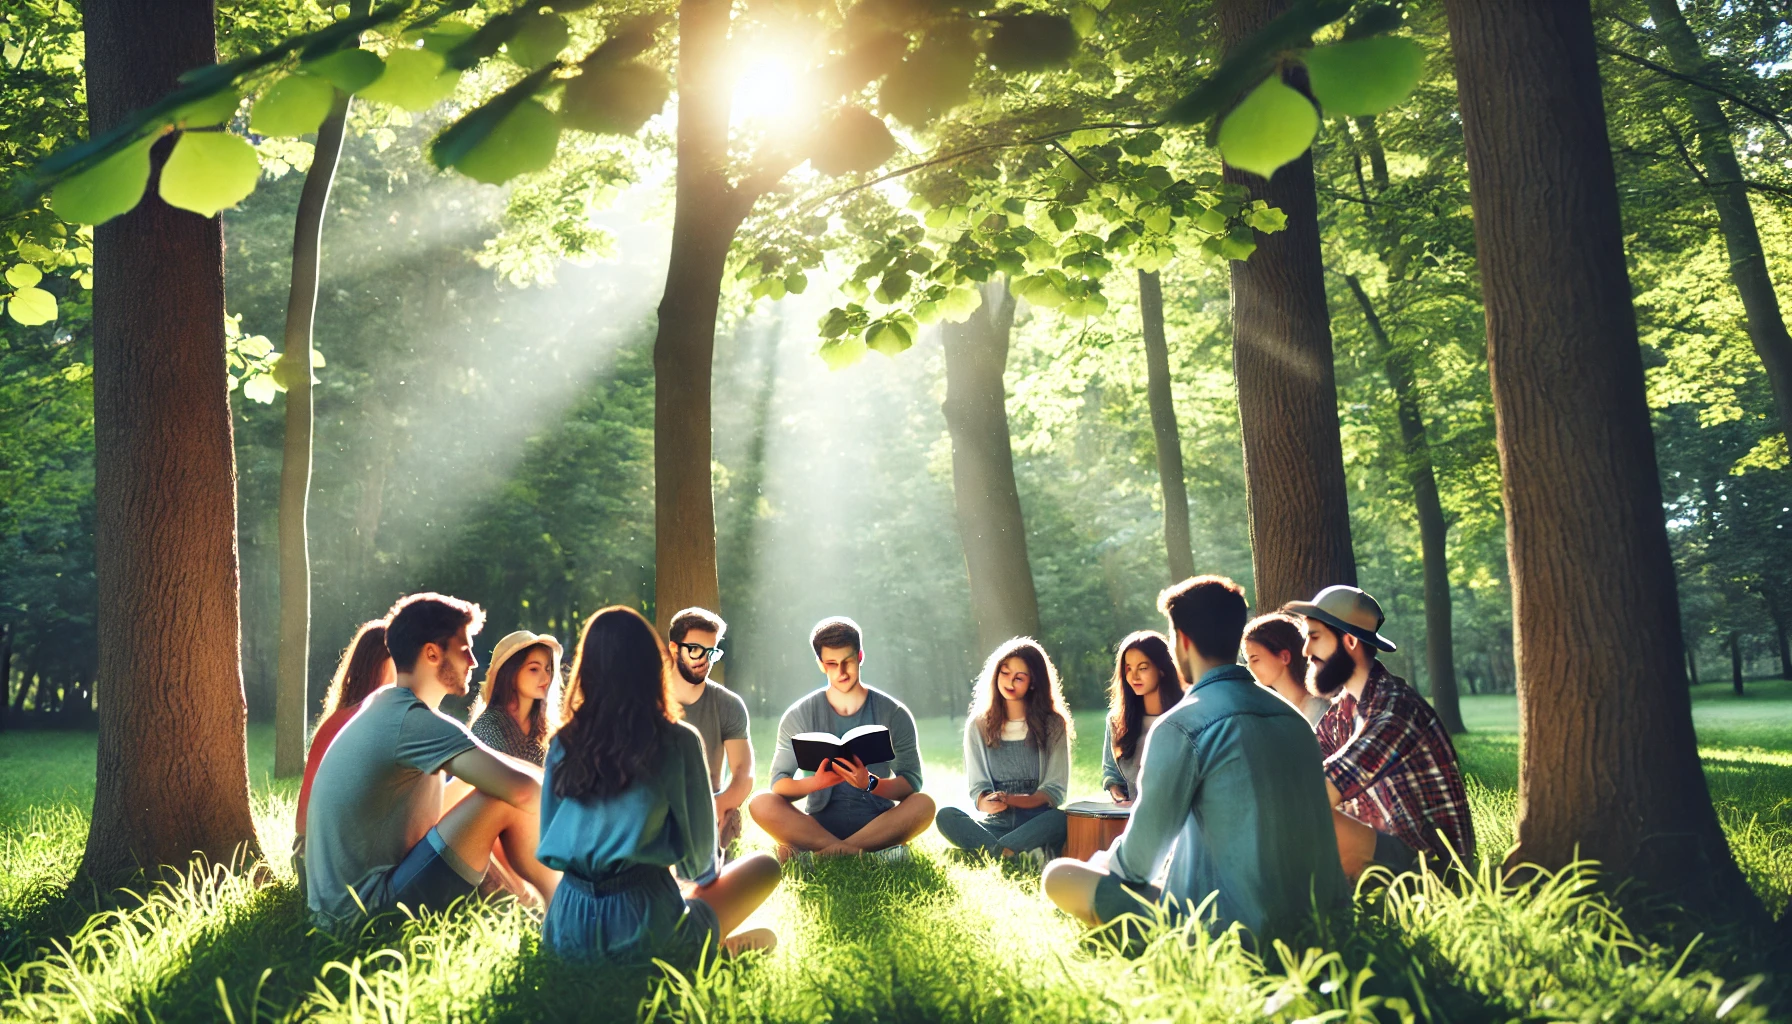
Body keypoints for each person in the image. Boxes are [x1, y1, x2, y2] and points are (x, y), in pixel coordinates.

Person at [1044, 576, 1347, 947]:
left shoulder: (1182, 726)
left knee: (1060, 877)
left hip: (1228, 934)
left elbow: (1137, 864)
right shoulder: (1296, 721)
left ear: (1181, 641)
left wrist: (1097, 868)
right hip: (1319, 929)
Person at [538, 606, 779, 964]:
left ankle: (692, 955)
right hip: (644, 916)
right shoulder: (677, 740)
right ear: (655, 663)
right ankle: (690, 957)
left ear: (587, 668)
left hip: (566, 928)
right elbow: (700, 867)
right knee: (764, 869)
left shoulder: (563, 743)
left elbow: (549, 843)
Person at [305, 592, 560, 926]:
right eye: (465, 649)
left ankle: (533, 912)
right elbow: (524, 792)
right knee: (507, 797)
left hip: (340, 913)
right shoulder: (413, 722)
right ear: (432, 653)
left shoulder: (388, 705)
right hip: (365, 919)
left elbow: (474, 781)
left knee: (491, 787)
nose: (473, 662)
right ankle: (563, 913)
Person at [1284, 585, 1475, 880]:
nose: (1306, 651)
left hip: (1432, 871)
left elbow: (1320, 791)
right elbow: (1302, 766)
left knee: (1309, 815)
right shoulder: (1340, 713)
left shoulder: (1396, 708)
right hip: (1387, 851)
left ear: (1349, 641)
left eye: (1315, 637)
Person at [748, 616, 934, 859]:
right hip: (818, 825)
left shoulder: (894, 713)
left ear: (860, 656)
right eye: (832, 663)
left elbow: (911, 782)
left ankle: (818, 856)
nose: (841, 672)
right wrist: (818, 782)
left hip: (878, 823)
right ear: (821, 664)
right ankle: (867, 855)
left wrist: (869, 783)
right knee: (760, 802)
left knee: (924, 804)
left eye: (847, 661)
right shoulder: (798, 715)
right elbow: (779, 784)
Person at [934, 638, 1073, 864]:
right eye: (1005, 673)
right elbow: (978, 788)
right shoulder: (977, 726)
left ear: (1034, 682)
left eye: (1019, 677)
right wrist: (986, 801)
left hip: (1036, 823)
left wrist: (1013, 800)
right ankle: (1009, 854)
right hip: (996, 825)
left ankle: (980, 855)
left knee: (1061, 819)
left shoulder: (1053, 724)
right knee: (946, 815)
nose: (1009, 682)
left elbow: (1054, 791)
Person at [293, 619, 393, 895]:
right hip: (328, 862)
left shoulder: (362, 716)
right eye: (399, 659)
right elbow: (304, 821)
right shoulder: (355, 720)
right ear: (378, 663)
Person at [666, 607, 753, 860]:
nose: (705, 659)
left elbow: (743, 774)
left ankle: (718, 851)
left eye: (712, 652)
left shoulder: (728, 704)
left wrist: (715, 807)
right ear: (674, 648)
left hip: (710, 808)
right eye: (695, 649)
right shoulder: (647, 701)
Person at [1098, 631, 1185, 805]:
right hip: (1132, 817)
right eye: (1128, 668)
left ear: (1162, 670)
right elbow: (1112, 774)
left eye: (1143, 668)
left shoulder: (1185, 717)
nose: (1134, 676)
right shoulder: (1117, 721)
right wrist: (1118, 795)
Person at [468, 630, 563, 766]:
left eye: (548, 669)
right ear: (511, 674)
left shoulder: (546, 728)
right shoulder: (488, 726)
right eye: (534, 669)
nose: (546, 678)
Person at [1243, 613, 1331, 727]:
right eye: (1247, 661)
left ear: (1284, 657)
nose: (1249, 667)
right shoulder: (1270, 712)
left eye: (1255, 660)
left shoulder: (1318, 709)